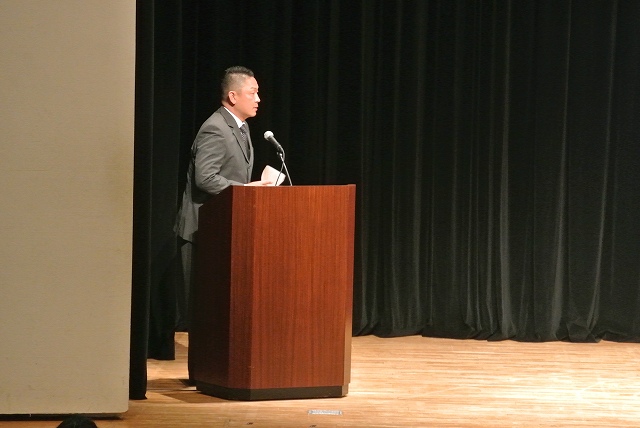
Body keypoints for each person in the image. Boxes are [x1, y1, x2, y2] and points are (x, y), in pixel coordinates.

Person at [174, 66, 271, 331]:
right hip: (202, 231)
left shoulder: (241, 128)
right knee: (202, 310)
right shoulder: (215, 128)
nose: (258, 99)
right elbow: (205, 178)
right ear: (233, 96)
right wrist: (245, 188)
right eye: (252, 92)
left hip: (224, 230)